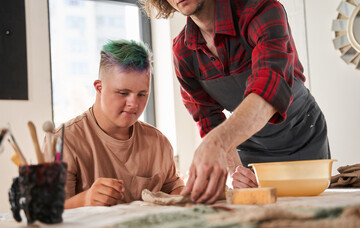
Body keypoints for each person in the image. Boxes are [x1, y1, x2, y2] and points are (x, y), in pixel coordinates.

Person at [140, 0, 330, 203]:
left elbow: (270, 89)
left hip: (302, 135)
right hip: (249, 149)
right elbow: (209, 119)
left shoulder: (261, 10)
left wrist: (218, 143)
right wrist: (236, 171)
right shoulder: (183, 51)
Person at [54, 40, 184, 209]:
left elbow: (175, 190)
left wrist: (188, 193)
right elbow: (48, 213)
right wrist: (85, 200)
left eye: (142, 94)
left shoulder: (159, 143)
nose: (134, 104)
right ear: (99, 88)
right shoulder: (63, 142)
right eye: (123, 93)